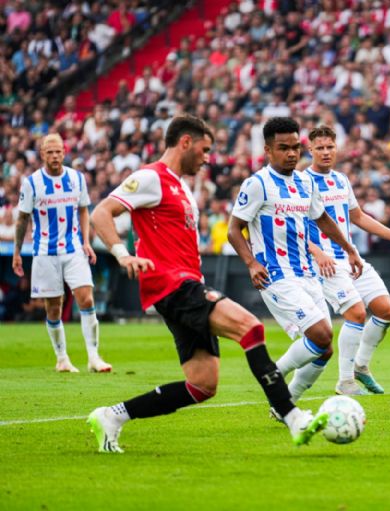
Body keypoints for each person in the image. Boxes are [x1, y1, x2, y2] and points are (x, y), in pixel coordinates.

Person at [87, 114, 327, 453]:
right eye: (204, 149)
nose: (207, 157)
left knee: (202, 385)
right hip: (173, 284)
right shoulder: (150, 178)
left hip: (184, 284)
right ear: (185, 142)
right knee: (251, 328)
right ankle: (292, 416)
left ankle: (112, 417)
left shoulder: (180, 186)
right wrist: (122, 254)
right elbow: (101, 213)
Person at [227, 117, 364, 403]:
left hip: (308, 274)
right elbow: (233, 230)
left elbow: (322, 219)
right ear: (268, 149)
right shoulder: (257, 184)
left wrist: (348, 248)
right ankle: (273, 375)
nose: (291, 153)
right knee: (321, 334)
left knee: (324, 348)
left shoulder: (304, 181)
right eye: (283, 148)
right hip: (275, 275)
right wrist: (252, 263)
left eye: (295, 147)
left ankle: (285, 404)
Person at [303, 125, 390, 395]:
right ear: (309, 150)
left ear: (337, 149)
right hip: (323, 262)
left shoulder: (341, 179)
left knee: (386, 311)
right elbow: (293, 226)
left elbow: (358, 217)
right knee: (357, 313)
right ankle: (345, 381)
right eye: (320, 148)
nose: (325, 152)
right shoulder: (301, 182)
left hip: (350, 258)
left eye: (329, 147)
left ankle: (361, 366)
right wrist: (317, 251)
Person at [12, 133, 111, 373]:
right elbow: (22, 219)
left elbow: (84, 210)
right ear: (42, 154)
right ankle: (62, 358)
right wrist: (17, 252)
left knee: (86, 298)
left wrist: (86, 241)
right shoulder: (32, 182)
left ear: (64, 153)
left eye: (58, 151)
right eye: (50, 152)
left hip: (74, 249)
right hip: (45, 252)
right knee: (54, 307)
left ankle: (94, 357)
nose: (55, 156)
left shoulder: (77, 179)